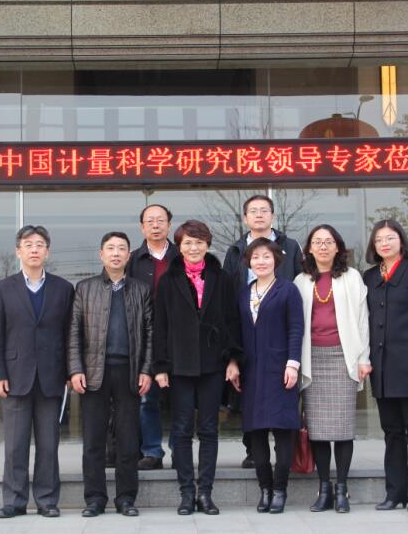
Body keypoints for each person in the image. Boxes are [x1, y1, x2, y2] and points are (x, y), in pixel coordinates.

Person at [153, 220, 243, 516]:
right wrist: (160, 366)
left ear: (207, 244)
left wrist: (233, 359)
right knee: (181, 430)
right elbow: (160, 325)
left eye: (199, 242)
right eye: (188, 243)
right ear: (179, 247)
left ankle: (205, 492)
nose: (194, 248)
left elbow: (232, 320)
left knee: (208, 429)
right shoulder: (168, 279)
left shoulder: (221, 277)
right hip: (179, 364)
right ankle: (186, 492)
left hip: (213, 363)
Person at [0, 225, 75, 519]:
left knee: (49, 445)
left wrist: (70, 372)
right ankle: (14, 501)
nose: (34, 249)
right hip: (15, 376)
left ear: (47, 252)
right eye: (28, 245)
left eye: (39, 245)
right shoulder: (3, 288)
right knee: (15, 444)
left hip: (52, 377)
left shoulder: (64, 289)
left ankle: (47, 500)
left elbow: (70, 334)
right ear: (18, 251)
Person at [68, 231, 154, 518]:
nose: (116, 253)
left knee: (128, 440)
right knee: (93, 440)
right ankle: (94, 499)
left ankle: (126, 498)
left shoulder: (141, 289)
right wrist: (76, 369)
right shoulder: (85, 288)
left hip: (129, 372)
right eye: (110, 248)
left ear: (129, 255)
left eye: (121, 249)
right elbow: (74, 333)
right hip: (94, 373)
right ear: (101, 254)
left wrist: (146, 370)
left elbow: (151, 334)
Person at [294, 225, 371, 514]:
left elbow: (362, 319)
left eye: (328, 242)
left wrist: (363, 357)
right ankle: (324, 487)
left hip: (343, 357)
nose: (323, 246)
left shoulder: (352, 277)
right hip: (312, 358)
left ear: (338, 247)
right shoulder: (301, 280)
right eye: (317, 242)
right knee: (317, 430)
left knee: (342, 428)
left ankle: (342, 489)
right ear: (309, 249)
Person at [222, 194, 303, 468]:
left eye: (264, 210)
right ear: (245, 218)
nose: (259, 215)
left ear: (272, 215)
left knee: (282, 398)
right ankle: (252, 451)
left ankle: (284, 456)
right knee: (250, 397)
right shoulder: (235, 250)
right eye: (253, 211)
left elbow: (300, 280)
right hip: (247, 330)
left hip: (279, 328)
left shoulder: (290, 246)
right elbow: (228, 292)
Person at [363, 219, 408, 514]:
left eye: (390, 238)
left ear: (401, 241)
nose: (384, 243)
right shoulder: (369, 276)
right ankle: (394, 493)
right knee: (392, 432)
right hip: (381, 368)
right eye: (379, 239)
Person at [233, 238, 304, 514]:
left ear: (276, 260)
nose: (260, 261)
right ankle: (265, 488)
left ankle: (280, 489)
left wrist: (293, 364)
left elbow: (296, 328)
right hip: (251, 370)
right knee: (256, 432)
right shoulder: (243, 293)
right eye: (255, 257)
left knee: (283, 430)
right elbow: (237, 332)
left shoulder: (288, 290)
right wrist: (234, 363)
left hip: (280, 369)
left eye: (266, 256)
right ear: (248, 262)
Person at [127, 204, 179, 471]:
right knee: (147, 397)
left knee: (181, 398)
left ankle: (180, 451)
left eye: (161, 220)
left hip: (179, 337)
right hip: (144, 338)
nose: (156, 225)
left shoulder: (182, 256)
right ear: (142, 227)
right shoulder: (132, 260)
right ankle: (151, 451)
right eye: (150, 221)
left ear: (169, 224)